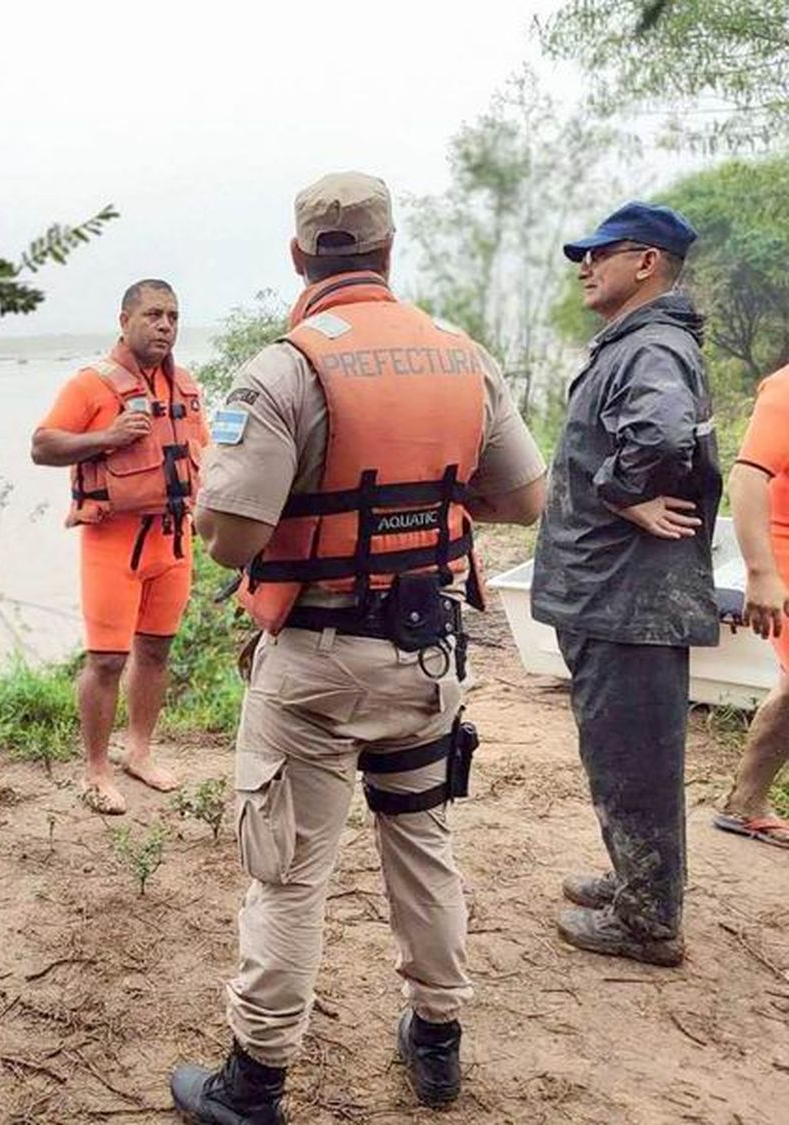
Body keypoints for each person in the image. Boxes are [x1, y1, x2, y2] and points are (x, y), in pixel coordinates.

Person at [169, 172, 547, 1122]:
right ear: (387, 250)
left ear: (301, 256)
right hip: (427, 662)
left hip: (318, 662)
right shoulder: (465, 357)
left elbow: (231, 539)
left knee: (290, 872)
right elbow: (523, 497)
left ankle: (253, 1083)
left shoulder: (285, 369)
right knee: (421, 840)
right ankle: (438, 1040)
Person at [532, 201, 719, 968]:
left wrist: (621, 490)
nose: (587, 264)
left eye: (602, 253)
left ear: (646, 263)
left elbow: (664, 432)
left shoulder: (652, 349)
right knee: (621, 753)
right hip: (614, 595)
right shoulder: (637, 343)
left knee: (636, 758)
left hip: (630, 601)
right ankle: (634, 879)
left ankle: (647, 920)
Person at [31, 280, 208, 814]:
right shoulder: (90, 386)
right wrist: (106, 437)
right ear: (125, 320)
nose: (165, 326)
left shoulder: (187, 387)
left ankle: (140, 752)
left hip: (174, 538)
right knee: (107, 660)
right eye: (153, 315)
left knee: (156, 650)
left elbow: (206, 455)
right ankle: (96, 768)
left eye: (173, 316)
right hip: (113, 543)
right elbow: (42, 445)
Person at [715, 372, 789, 848]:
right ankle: (745, 803)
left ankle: (745, 802)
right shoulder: (786, 390)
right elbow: (747, 476)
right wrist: (761, 574)